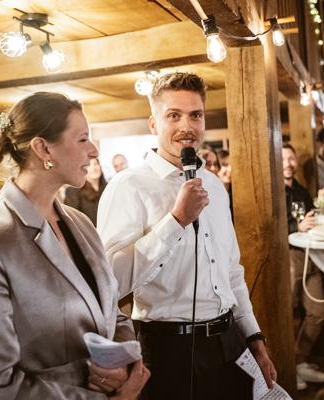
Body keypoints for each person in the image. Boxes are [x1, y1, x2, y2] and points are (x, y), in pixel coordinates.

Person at [97, 72, 276, 400]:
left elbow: (231, 272)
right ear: (153, 124)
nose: (187, 126)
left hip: (229, 342)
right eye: (173, 116)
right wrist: (176, 220)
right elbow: (110, 281)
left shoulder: (214, 187)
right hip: (168, 351)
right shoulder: (128, 187)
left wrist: (254, 338)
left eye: (196, 115)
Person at [0, 92, 149, 399]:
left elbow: (112, 312)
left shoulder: (81, 223)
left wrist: (123, 365)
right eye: (83, 139)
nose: (94, 151)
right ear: (43, 148)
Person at [282, 143, 324, 390]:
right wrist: (296, 227)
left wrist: (322, 209)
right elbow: (269, 226)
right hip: (289, 256)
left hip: (311, 255)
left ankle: (300, 360)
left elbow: (312, 218)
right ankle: (288, 368)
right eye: (283, 159)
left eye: (291, 158)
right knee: (289, 314)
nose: (288, 163)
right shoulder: (273, 191)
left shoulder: (301, 190)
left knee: (319, 312)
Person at [65, 158, 107, 226]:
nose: (94, 168)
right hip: (90, 231)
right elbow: (73, 221)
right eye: (88, 165)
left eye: (95, 164)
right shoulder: (73, 191)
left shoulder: (108, 187)